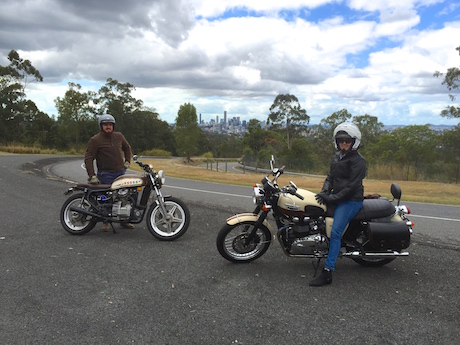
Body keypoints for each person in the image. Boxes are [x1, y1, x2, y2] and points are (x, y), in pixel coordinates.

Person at [309, 122, 367, 287]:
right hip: (337, 196)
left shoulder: (358, 161)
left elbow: (352, 187)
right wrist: (324, 192)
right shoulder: (337, 156)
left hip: (351, 200)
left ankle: (328, 271)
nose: (344, 143)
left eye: (347, 141)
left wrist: (332, 198)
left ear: (354, 141)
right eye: (341, 140)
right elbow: (330, 177)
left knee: (335, 233)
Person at [84, 113, 133, 231]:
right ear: (101, 126)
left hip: (120, 172)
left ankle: (124, 220)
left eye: (110, 124)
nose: (108, 127)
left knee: (125, 197)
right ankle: (105, 222)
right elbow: (88, 158)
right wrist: (92, 175)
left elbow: (127, 148)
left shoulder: (119, 136)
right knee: (106, 199)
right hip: (105, 174)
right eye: (105, 125)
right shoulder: (95, 140)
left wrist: (127, 161)